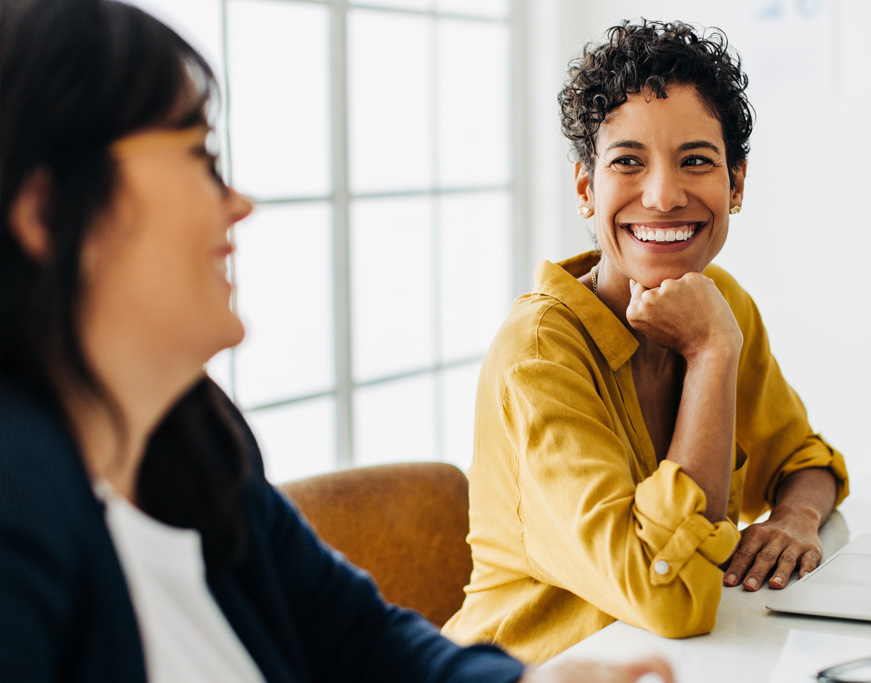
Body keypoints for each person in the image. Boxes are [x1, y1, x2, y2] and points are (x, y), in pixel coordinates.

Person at [0, 1, 674, 681]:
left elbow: (359, 639)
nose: (238, 204)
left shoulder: (195, 438)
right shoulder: (19, 499)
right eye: (199, 157)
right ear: (47, 211)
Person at [442, 20, 850, 662]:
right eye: (628, 161)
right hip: (533, 670)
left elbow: (804, 460)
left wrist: (793, 519)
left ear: (736, 185)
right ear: (586, 188)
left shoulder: (720, 303)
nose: (663, 196)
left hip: (680, 666)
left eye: (696, 161)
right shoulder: (541, 353)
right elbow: (669, 596)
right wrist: (711, 355)